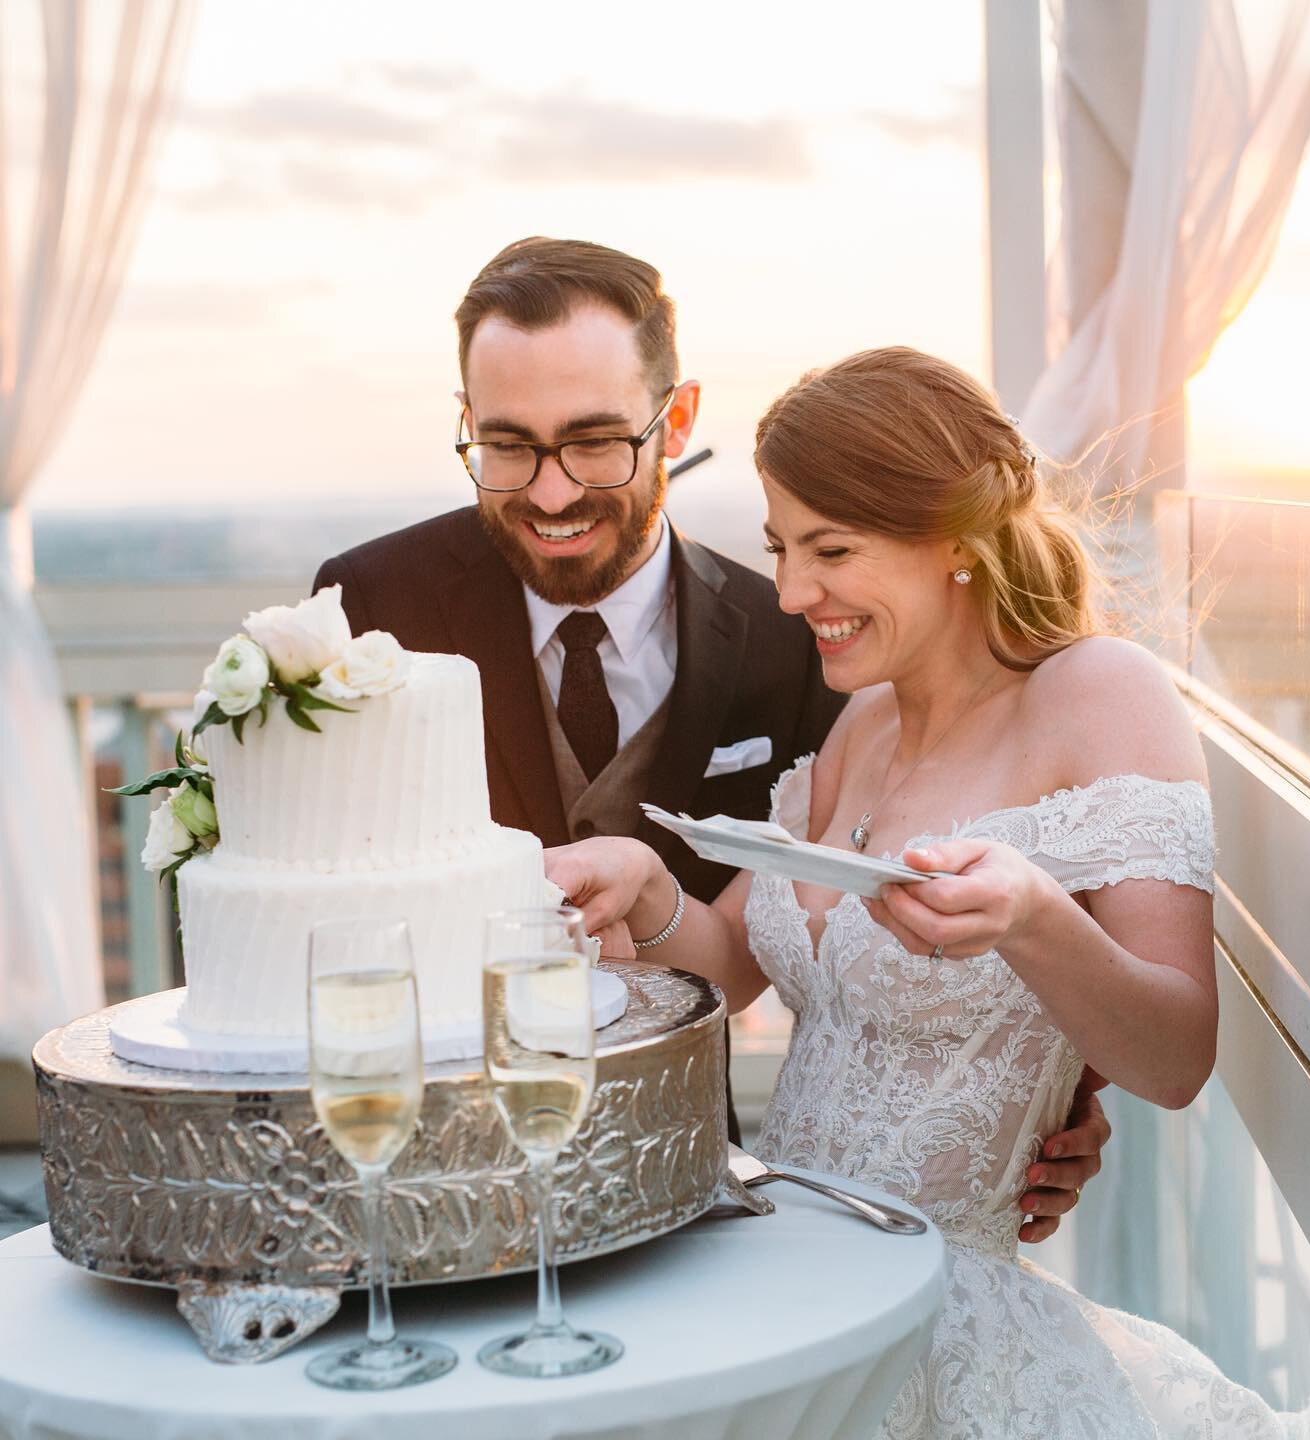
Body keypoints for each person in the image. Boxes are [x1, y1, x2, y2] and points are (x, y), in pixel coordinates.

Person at [544, 348, 1310, 1437]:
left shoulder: (1101, 695)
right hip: (782, 1284)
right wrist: (651, 889)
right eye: (781, 549)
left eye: (831, 550)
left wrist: (1036, 919)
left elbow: (1176, 1055)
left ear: (954, 541)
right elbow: (737, 958)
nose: (795, 591)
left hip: (939, 1322)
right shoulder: (861, 724)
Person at [312, 238, 1108, 1236]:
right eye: (508, 445)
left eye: (596, 442)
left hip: (690, 1195)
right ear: (466, 422)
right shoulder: (369, 605)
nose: (551, 494)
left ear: (676, 419)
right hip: (416, 1187)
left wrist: (1053, 1099)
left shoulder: (805, 647)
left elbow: (846, 909)